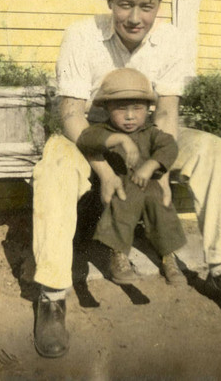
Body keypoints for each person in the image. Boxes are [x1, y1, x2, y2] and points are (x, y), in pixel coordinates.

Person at [33, 0, 221, 358]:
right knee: (54, 166)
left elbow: (165, 113)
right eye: (125, 4)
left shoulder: (173, 40)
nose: (134, 17)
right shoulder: (81, 35)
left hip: (147, 136)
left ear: (159, 4)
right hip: (90, 139)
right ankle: (52, 296)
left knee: (212, 149)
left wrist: (160, 169)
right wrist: (104, 169)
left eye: (146, 6)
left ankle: (220, 271)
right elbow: (72, 116)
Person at [77, 67, 187, 286]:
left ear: (148, 108)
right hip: (120, 187)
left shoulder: (151, 133)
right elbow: (86, 139)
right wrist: (119, 139)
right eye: (121, 109)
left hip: (150, 187)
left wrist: (151, 165)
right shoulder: (104, 131)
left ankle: (168, 256)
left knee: (162, 205)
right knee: (122, 201)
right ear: (107, 108)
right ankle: (118, 255)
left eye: (137, 108)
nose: (129, 116)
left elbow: (169, 147)